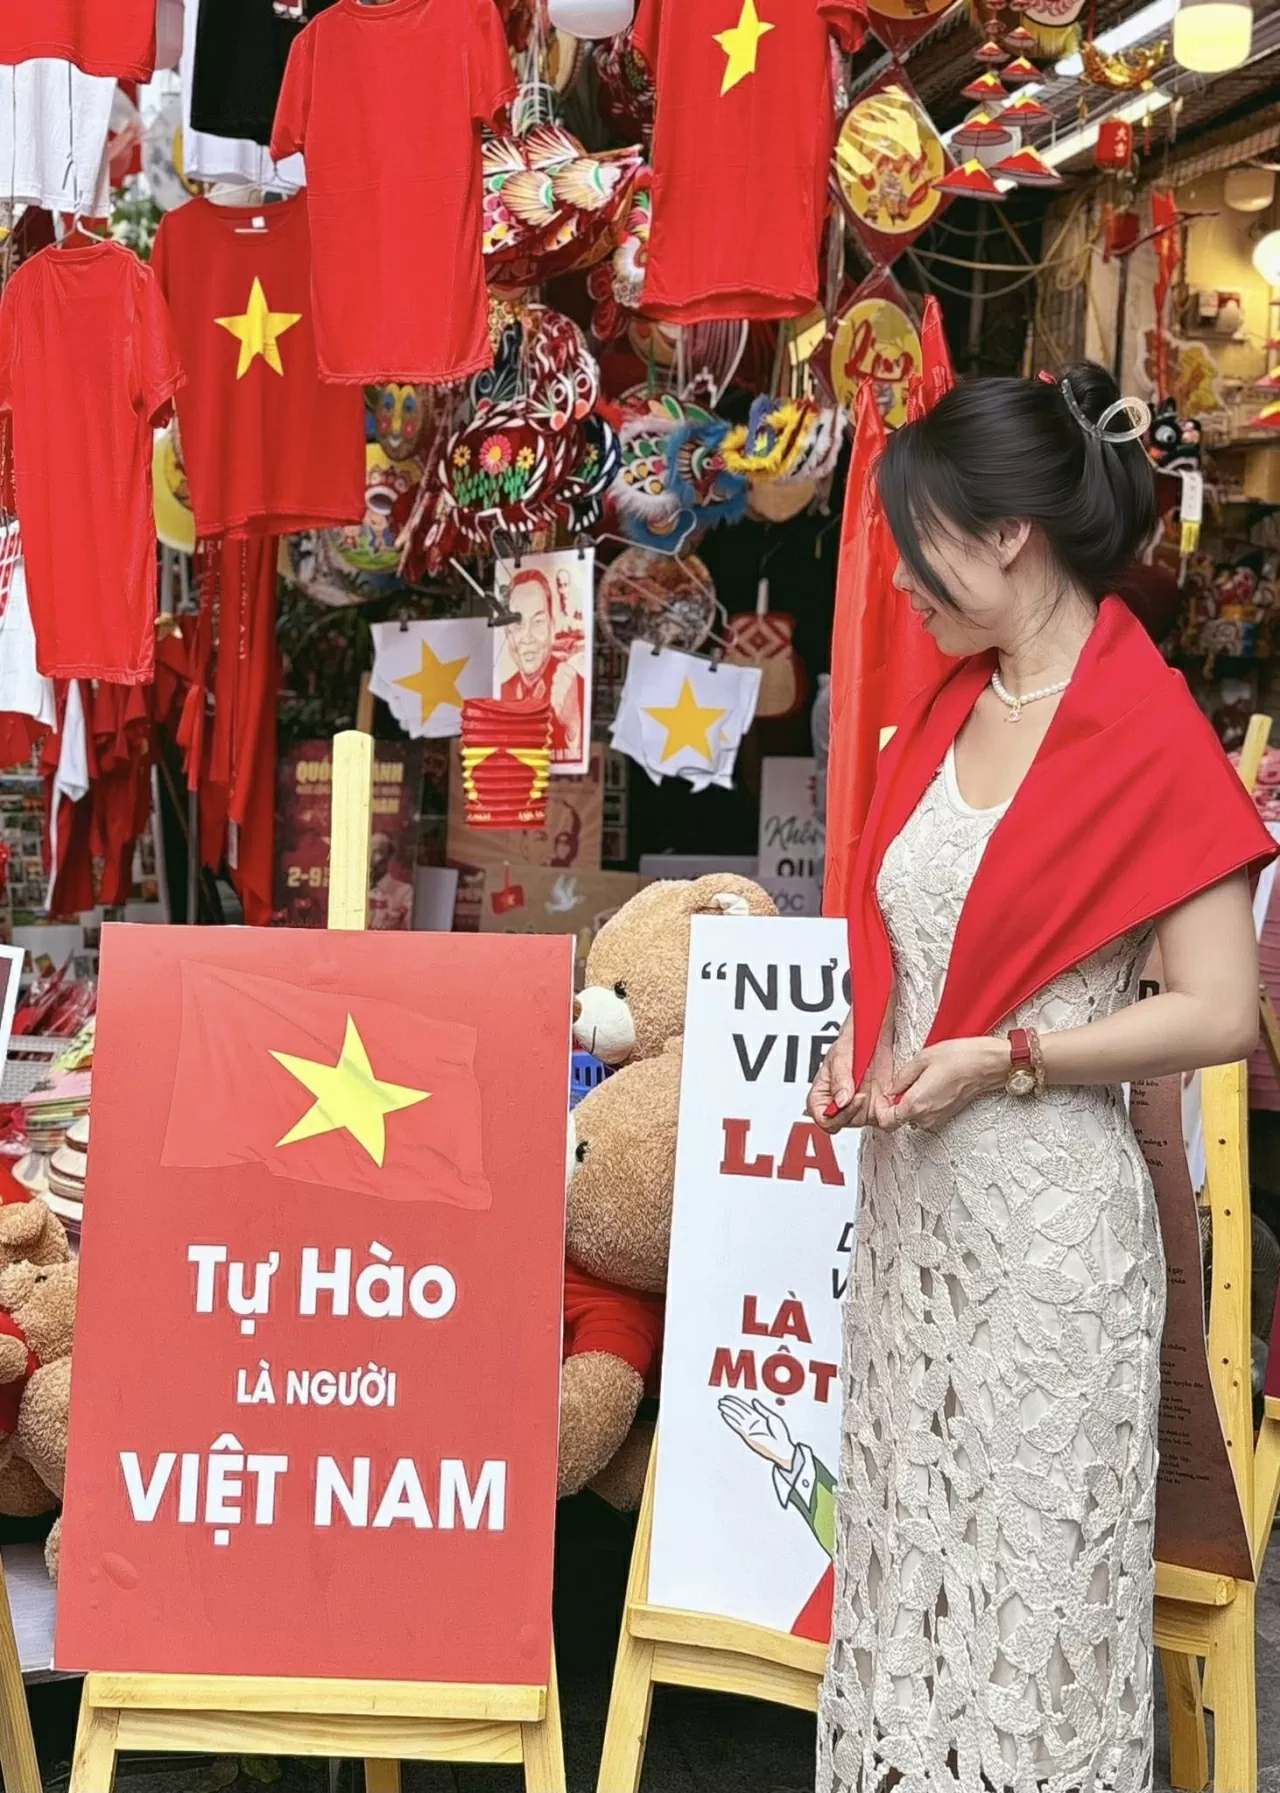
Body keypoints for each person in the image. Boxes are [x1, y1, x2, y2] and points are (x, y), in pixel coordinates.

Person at [806, 362, 1275, 1793]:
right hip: (915, 1224)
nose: (898, 583)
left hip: (1049, 1236)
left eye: (917, 543)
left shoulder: (1144, 731)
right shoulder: (948, 711)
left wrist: (1016, 1057)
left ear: (1008, 531)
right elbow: (913, 943)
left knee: (1031, 1612)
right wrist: (866, 1042)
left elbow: (1223, 1007)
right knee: (914, 1583)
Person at [501, 566, 585, 763]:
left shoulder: (575, 686)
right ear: (507, 633)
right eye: (518, 625)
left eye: (538, 622)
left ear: (552, 627)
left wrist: (574, 724)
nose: (527, 637)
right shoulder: (501, 691)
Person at [367, 831, 412, 931]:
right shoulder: (355, 890)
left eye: (378, 852)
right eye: (369, 851)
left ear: (390, 857)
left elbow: (409, 932)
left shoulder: (404, 892)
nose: (371, 858)